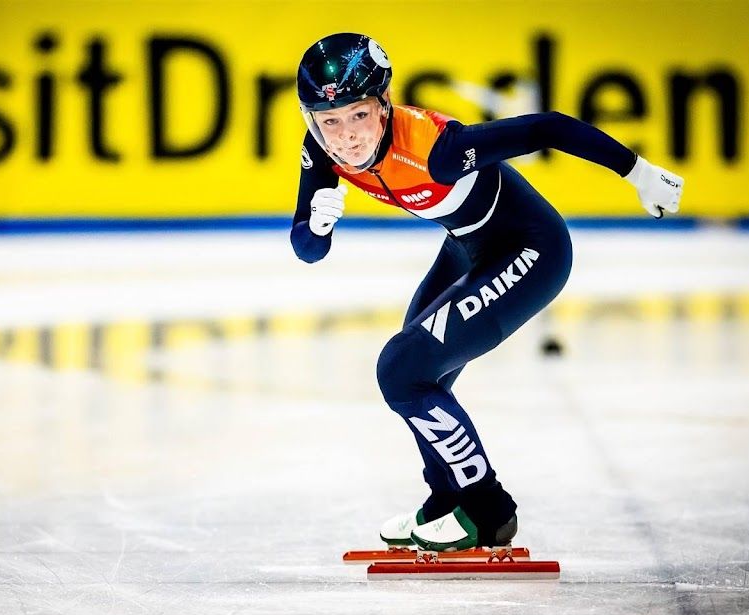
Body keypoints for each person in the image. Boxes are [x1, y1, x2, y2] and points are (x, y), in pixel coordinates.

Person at [291, 33, 684, 551]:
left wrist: (639, 172)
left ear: (383, 108)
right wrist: (316, 228)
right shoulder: (322, 151)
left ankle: (488, 511)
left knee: (401, 369)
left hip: (531, 252)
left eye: (358, 115)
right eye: (330, 121)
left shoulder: (437, 151)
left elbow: (548, 127)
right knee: (420, 369)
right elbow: (308, 250)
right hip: (466, 248)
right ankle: (446, 499)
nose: (346, 137)